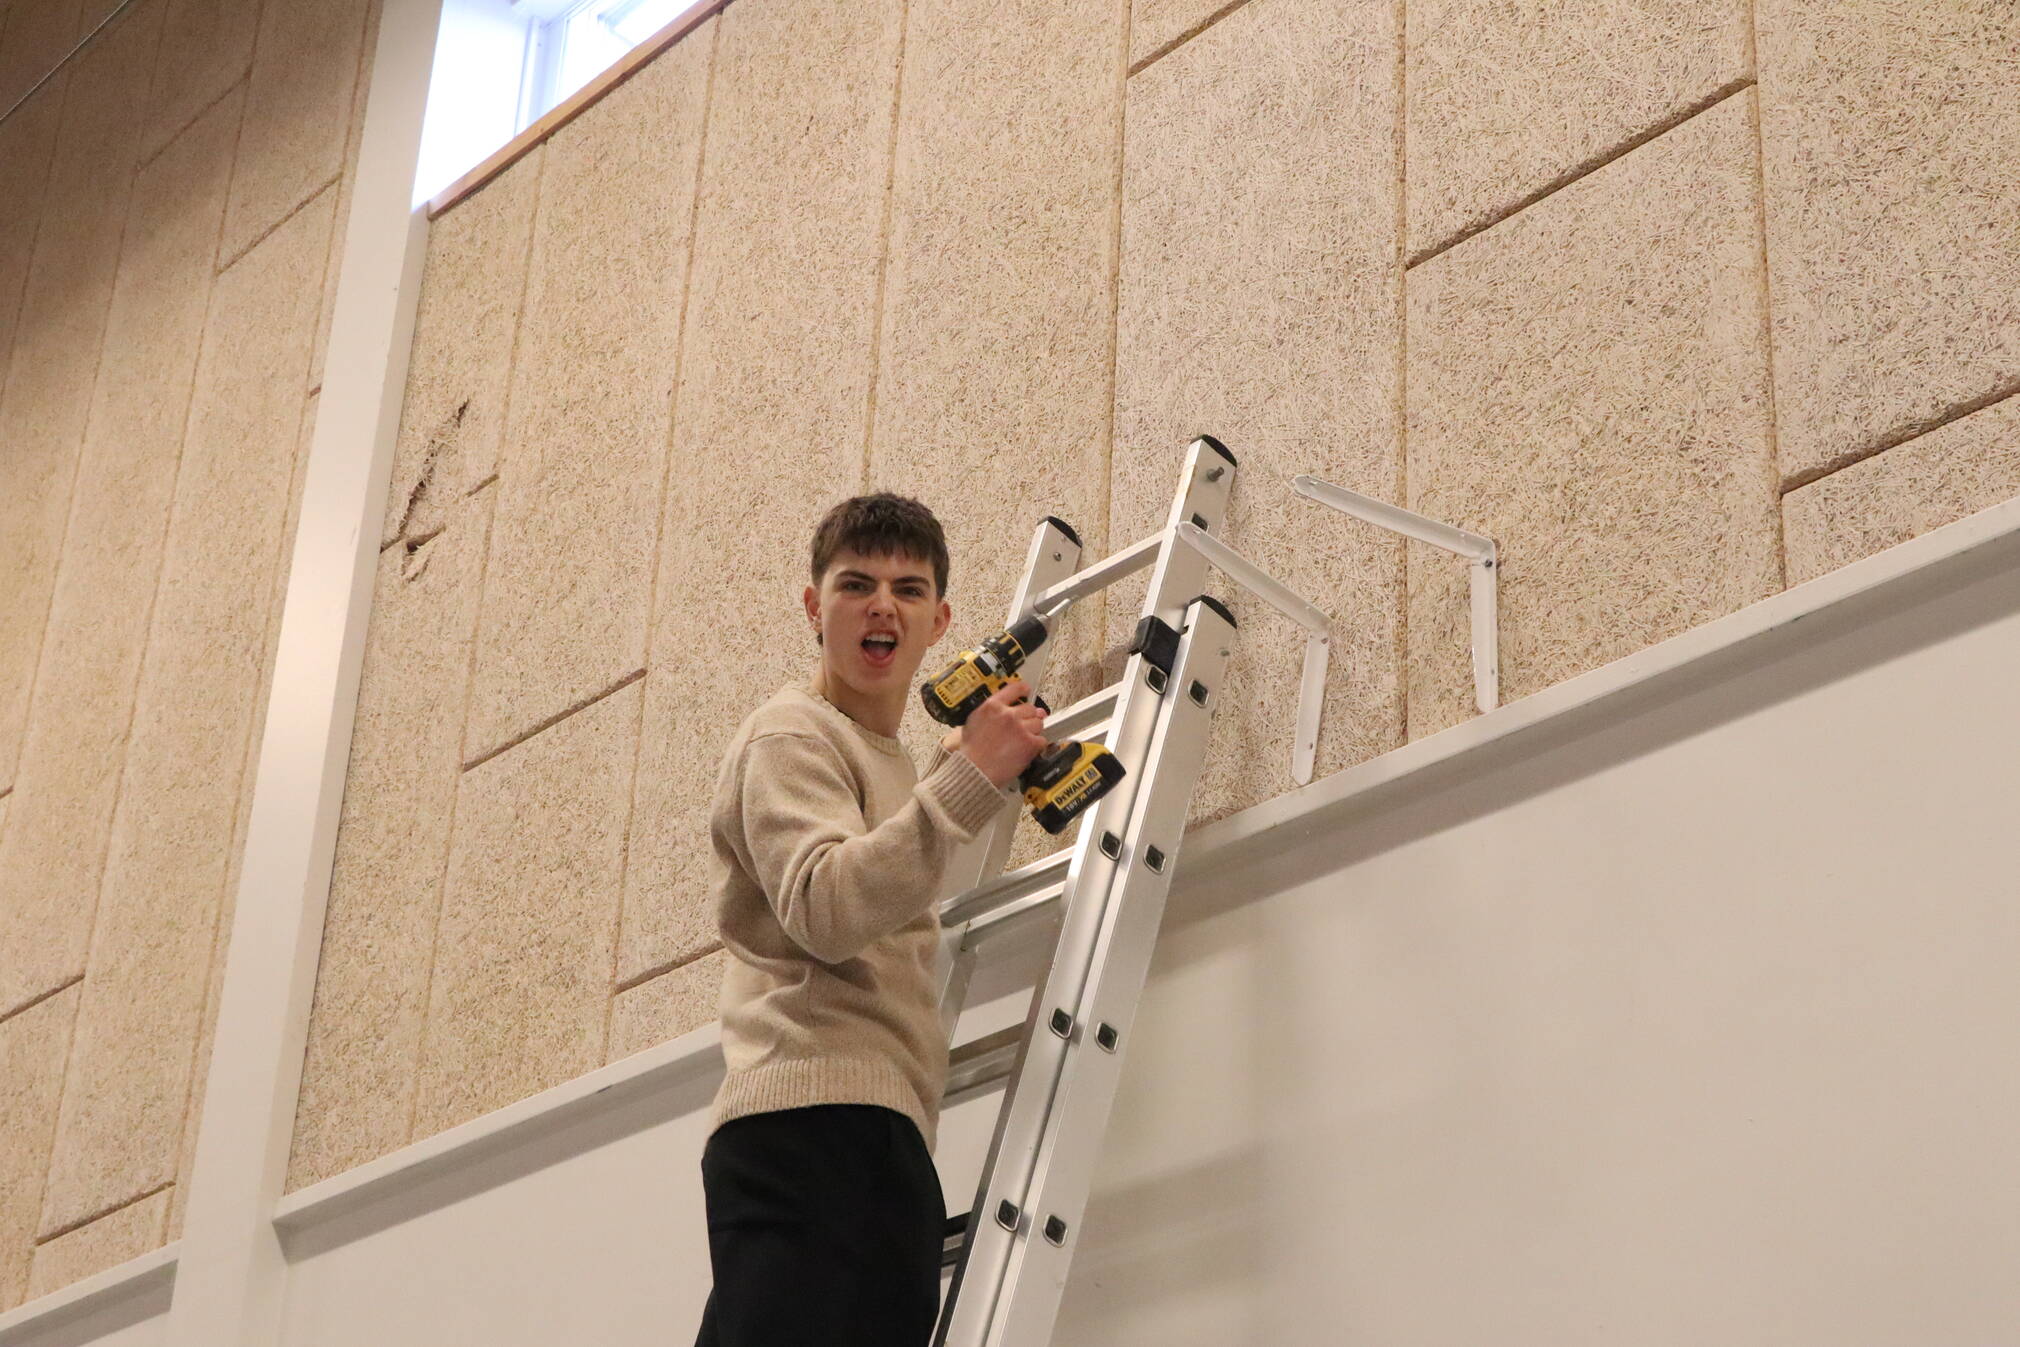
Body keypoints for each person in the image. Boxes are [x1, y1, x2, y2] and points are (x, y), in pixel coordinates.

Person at [692, 492, 1048, 1347]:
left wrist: (956, 773)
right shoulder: (790, 734)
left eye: (908, 589)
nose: (882, 605)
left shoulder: (887, 761)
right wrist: (967, 780)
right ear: (814, 607)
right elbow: (826, 905)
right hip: (817, 1123)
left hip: (859, 1129)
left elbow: (892, 874)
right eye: (856, 585)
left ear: (938, 621)